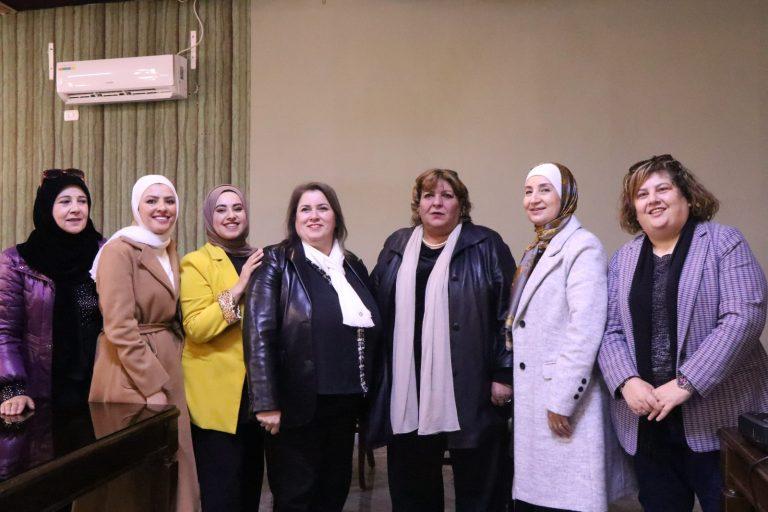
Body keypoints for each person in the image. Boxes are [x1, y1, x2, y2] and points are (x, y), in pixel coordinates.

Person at [598, 154, 768, 512]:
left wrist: (686, 382)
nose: (652, 199)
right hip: (647, 422)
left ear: (687, 196)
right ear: (633, 208)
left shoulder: (724, 242)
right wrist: (626, 381)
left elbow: (744, 317)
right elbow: (608, 330)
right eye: (641, 194)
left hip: (719, 418)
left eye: (663, 189)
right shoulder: (622, 259)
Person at [368, 168, 515, 512]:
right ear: (417, 204)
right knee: (412, 485)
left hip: (472, 386)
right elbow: (373, 306)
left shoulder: (486, 244)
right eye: (429, 196)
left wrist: (504, 373)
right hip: (408, 388)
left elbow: (509, 313)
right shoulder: (396, 245)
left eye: (447, 196)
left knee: (479, 485)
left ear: (461, 205)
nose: (437, 203)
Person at [243, 182, 380, 511]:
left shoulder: (353, 266)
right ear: (294, 219)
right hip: (296, 405)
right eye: (305, 209)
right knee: (295, 496)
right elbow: (258, 332)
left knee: (333, 493)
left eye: (322, 208)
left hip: (345, 402)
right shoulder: (276, 261)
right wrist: (265, 401)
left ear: (336, 217)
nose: (314, 216)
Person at [507, 163, 633, 511]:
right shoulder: (537, 248)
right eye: (528, 191)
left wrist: (562, 400)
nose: (534, 199)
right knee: (540, 498)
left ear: (566, 196)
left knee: (569, 499)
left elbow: (586, 328)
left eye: (545, 189)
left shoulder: (582, 246)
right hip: (536, 395)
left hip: (562, 398)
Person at [88, 175, 200, 512]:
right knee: (134, 474)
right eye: (151, 201)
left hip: (167, 360)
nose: (162, 208)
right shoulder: (118, 250)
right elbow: (119, 326)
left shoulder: (167, 247)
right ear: (137, 207)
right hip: (130, 370)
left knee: (171, 459)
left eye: (169, 200)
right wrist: (151, 385)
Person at [180, 185, 265, 511]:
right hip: (217, 400)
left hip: (257, 398)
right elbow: (197, 327)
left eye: (237, 208)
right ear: (209, 217)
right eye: (221, 209)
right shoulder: (196, 263)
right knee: (222, 496)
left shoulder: (261, 259)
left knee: (249, 493)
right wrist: (239, 286)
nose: (231, 215)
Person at [0, 169, 103, 414]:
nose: (76, 209)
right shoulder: (16, 261)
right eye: (65, 202)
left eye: (82, 201)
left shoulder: (106, 252)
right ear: (46, 207)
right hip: (41, 391)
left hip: (99, 389)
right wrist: (13, 389)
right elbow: (5, 332)